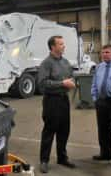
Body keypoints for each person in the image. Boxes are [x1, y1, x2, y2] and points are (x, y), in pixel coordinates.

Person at [38, 35, 76, 173]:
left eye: (63, 44)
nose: (63, 46)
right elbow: (42, 84)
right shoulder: (46, 63)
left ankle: (62, 157)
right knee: (49, 131)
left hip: (64, 100)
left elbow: (71, 76)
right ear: (53, 47)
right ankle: (44, 160)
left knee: (64, 130)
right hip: (51, 101)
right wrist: (62, 83)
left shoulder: (66, 62)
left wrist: (71, 82)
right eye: (60, 44)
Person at [91, 44, 111, 168]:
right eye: (103, 52)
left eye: (107, 52)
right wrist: (95, 98)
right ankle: (106, 153)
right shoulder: (99, 67)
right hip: (101, 102)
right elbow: (94, 83)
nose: (104, 54)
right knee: (103, 130)